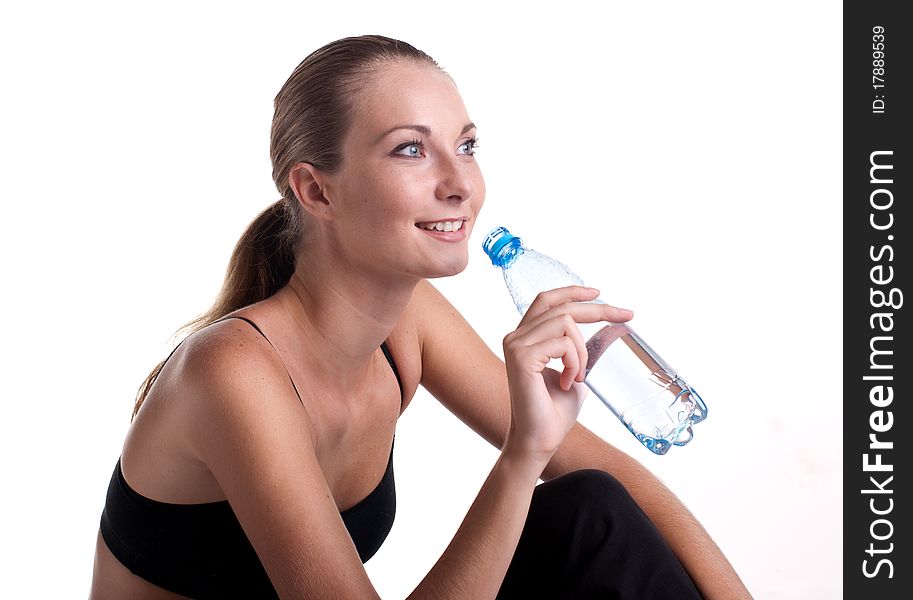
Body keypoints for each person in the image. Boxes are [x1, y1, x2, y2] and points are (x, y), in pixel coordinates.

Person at [90, 35, 752, 599]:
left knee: (593, 512)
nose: (459, 182)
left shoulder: (408, 325)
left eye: (465, 145)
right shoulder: (232, 371)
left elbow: (618, 478)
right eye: (410, 149)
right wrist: (524, 455)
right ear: (315, 189)